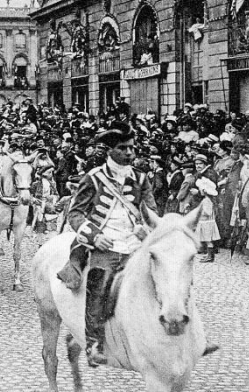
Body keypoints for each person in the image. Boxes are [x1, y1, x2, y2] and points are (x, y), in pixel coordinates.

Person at [56, 121, 157, 367]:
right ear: (110, 150)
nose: (130, 153)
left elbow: (152, 210)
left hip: (134, 244)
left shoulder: (140, 178)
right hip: (105, 244)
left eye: (132, 148)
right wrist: (93, 236)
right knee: (99, 284)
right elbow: (76, 214)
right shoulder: (94, 178)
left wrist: (146, 229)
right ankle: (93, 343)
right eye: (123, 148)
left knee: (167, 277)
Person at [196, 179, 221, 263]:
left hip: (207, 223)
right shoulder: (207, 200)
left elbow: (208, 212)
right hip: (206, 222)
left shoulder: (206, 200)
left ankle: (210, 256)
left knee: (208, 240)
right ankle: (209, 255)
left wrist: (200, 211)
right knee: (207, 240)